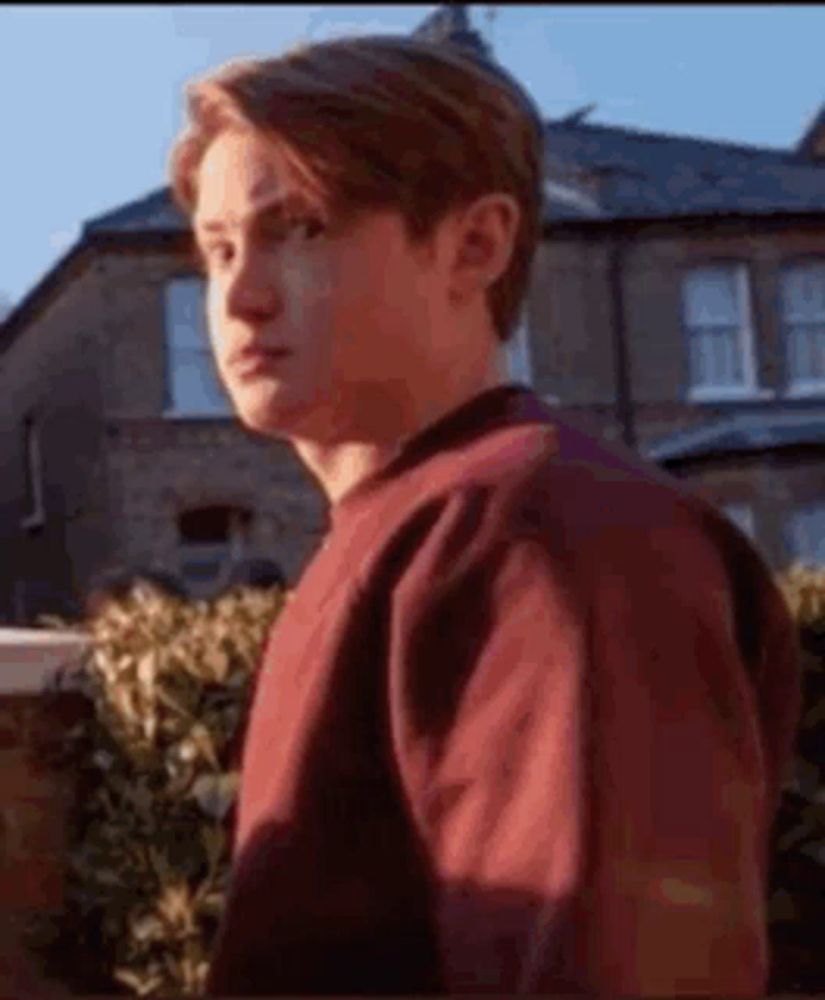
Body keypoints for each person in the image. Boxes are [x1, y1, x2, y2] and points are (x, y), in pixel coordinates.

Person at [168, 34, 801, 995]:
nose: (239, 298)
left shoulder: (545, 529)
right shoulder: (416, 526)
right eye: (218, 251)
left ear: (476, 244)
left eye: (298, 227)